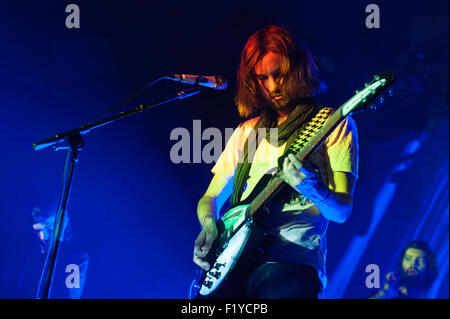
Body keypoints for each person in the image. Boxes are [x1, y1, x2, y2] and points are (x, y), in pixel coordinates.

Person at [192, 25, 359, 299]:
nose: (272, 86)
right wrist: (209, 225)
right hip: (233, 262)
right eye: (262, 78)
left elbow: (340, 212)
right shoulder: (247, 132)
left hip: (292, 264)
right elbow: (210, 197)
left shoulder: (333, 123)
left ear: (298, 69)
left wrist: (313, 188)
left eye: (279, 75)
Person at [0, 198, 89, 298]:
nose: (42, 236)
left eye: (49, 227)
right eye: (37, 228)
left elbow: (68, 296)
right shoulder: (21, 257)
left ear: (64, 224)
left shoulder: (76, 259)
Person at [371, 240, 438, 299]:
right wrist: (386, 294)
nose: (413, 264)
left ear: (428, 268)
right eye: (408, 259)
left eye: (420, 260)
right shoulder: (387, 294)